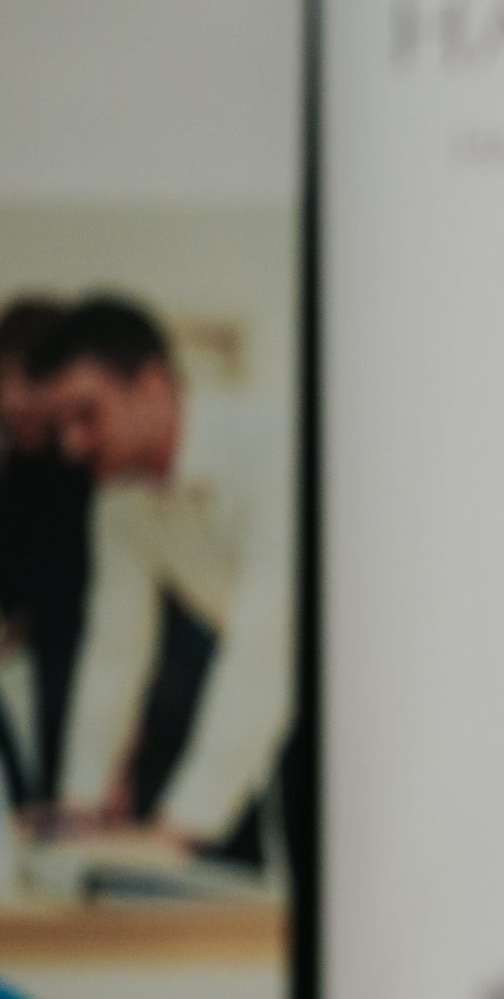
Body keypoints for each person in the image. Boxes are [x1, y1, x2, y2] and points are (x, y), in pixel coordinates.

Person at [26, 295, 292, 859]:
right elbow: (115, 649)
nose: (72, 445)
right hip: (286, 694)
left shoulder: (273, 449)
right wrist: (82, 803)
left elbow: (267, 645)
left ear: (151, 384)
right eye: (59, 426)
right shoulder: (119, 498)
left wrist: (181, 825)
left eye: (86, 415)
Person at [0, 296, 97, 811]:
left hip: (101, 664)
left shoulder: (94, 466)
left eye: (28, 381)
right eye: (2, 380)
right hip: (39, 666)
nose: (12, 400)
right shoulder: (17, 466)